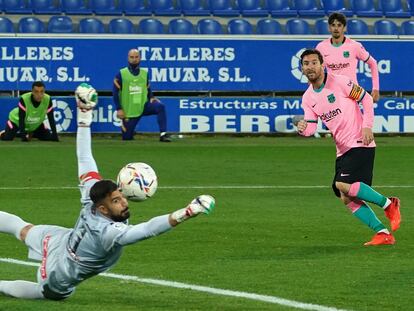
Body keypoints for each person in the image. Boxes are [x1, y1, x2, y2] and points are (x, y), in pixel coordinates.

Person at [0, 95, 215, 300]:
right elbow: (147, 230)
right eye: (116, 201)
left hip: (62, 240)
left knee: (24, 229)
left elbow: (85, 157)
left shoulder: (92, 194)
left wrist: (84, 115)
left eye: (121, 196)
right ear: (102, 209)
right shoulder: (109, 233)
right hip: (63, 270)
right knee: (47, 293)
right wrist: (185, 213)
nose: (123, 202)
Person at [296, 49, 400, 246]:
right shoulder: (308, 97)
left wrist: (367, 125)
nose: (310, 67)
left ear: (322, 65)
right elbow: (310, 128)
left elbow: (366, 98)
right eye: (306, 64)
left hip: (360, 141)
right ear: (301, 68)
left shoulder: (340, 82)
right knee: (345, 196)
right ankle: (383, 233)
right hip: (342, 149)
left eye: (313, 63)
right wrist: (303, 128)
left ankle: (389, 204)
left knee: (341, 185)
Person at [316, 12, 380, 103]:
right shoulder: (321, 47)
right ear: (329, 28)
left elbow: (373, 63)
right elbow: (318, 72)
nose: (336, 28)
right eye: (333, 25)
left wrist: (376, 88)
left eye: (339, 25)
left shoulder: (354, 46)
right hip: (333, 93)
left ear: (344, 28)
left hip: (352, 92)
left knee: (358, 114)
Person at [113, 49, 172, 142]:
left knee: (160, 106)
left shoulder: (144, 73)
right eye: (132, 57)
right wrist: (119, 108)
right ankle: (131, 131)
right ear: (128, 58)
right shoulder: (121, 74)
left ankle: (163, 134)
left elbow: (147, 87)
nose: (134, 59)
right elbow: (115, 92)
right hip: (130, 110)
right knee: (127, 138)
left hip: (143, 105)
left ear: (140, 58)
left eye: (136, 57)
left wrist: (151, 97)